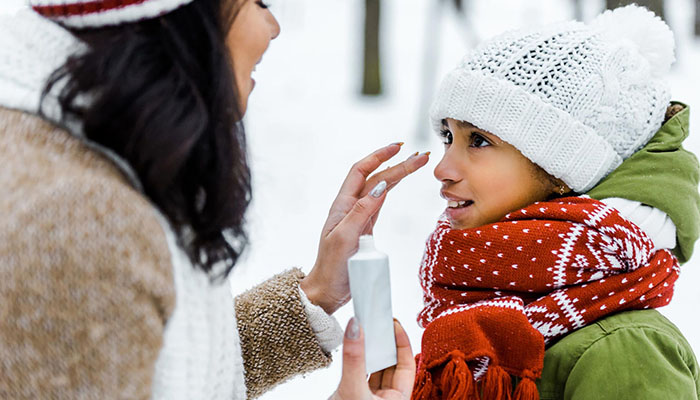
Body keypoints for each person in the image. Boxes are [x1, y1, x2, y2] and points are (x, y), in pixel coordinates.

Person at [0, 0, 425, 398]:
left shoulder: (90, 156)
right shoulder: (76, 223)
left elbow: (163, 366)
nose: (273, 27)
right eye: (259, 2)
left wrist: (314, 293)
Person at [412, 5, 700, 400]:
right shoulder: (473, 311)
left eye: (478, 140)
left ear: (562, 169)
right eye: (448, 136)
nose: (443, 168)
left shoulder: (624, 348)